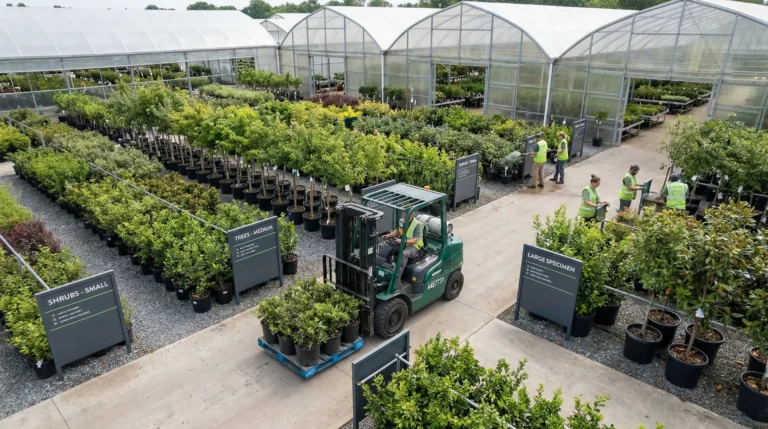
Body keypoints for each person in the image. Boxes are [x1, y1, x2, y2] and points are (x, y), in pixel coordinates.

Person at [382, 210, 425, 291]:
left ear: (412, 214)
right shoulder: (402, 221)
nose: (404, 216)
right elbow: (398, 231)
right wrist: (389, 235)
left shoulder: (417, 225)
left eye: (406, 214)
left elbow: (415, 240)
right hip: (403, 243)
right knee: (387, 247)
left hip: (415, 246)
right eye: (403, 214)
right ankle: (387, 269)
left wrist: (402, 241)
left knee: (404, 253)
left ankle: (397, 277)